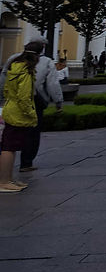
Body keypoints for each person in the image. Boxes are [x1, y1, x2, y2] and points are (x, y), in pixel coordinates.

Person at [0, 38, 64, 177]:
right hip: (33, 100)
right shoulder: (46, 62)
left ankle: (7, 169)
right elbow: (52, 84)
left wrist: (4, 96)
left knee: (9, 138)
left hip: (12, 101)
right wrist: (58, 101)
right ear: (42, 47)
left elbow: (3, 78)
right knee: (32, 134)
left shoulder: (13, 59)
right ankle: (26, 163)